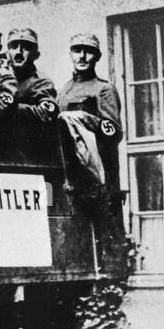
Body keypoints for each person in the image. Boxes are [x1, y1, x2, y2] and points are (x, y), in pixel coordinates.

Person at [59, 32, 126, 265]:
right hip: (71, 179)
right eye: (77, 50)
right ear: (70, 54)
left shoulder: (103, 90)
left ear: (96, 57)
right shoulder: (64, 90)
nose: (82, 56)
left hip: (97, 179)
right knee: (77, 242)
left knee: (107, 239)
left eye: (88, 51)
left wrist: (85, 120)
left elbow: (113, 131)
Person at [6, 28, 59, 122]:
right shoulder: (1, 78)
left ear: (36, 55)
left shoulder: (42, 83)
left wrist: (9, 108)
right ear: (8, 53)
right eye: (14, 47)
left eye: (26, 47)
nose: (19, 52)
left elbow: (48, 112)